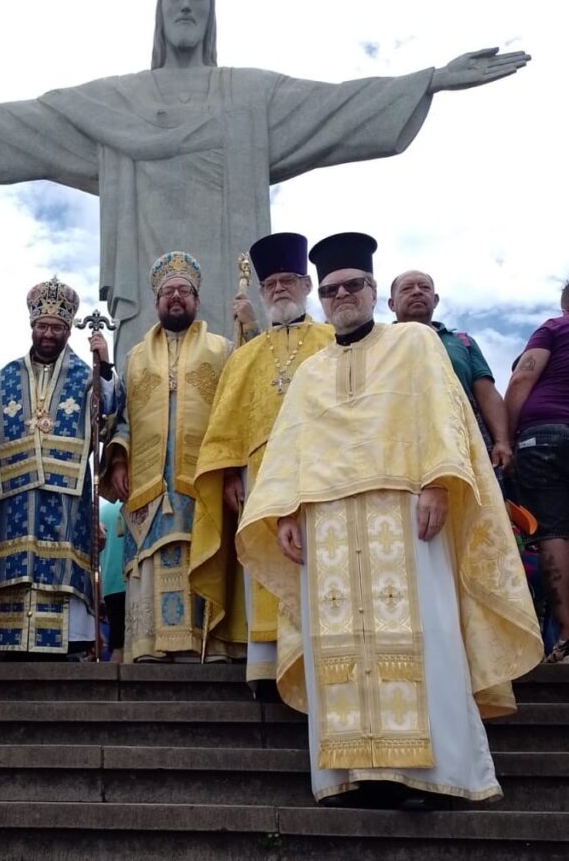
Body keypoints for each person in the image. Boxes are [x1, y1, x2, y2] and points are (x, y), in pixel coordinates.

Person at [0, 0, 530, 364]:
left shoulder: (249, 94)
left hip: (230, 272)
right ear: (160, 12)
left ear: (211, 13)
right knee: (150, 390)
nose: (186, 6)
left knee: (240, 366)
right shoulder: (118, 98)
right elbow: (39, 119)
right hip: (145, 273)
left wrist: (430, 80)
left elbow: (337, 105)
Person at [236, 233, 541, 808]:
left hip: (405, 513)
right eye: (331, 289)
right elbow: (291, 448)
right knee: (339, 650)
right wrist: (283, 514)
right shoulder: (310, 372)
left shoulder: (414, 344)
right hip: (326, 523)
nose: (342, 295)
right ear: (321, 297)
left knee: (425, 640)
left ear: (374, 291)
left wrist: (438, 483)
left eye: (353, 285)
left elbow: (443, 416)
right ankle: (352, 774)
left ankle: (436, 774)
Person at [191, 233, 334, 684]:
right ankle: (268, 667)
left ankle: (318, 662)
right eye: (270, 283)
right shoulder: (245, 355)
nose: (278, 290)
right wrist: (230, 472)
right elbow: (227, 420)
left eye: (288, 281)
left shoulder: (331, 339)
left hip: (322, 471)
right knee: (265, 567)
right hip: (260, 476)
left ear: (307, 286)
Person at [103, 252, 230, 661]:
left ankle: (205, 645)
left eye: (183, 291)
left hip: (202, 476)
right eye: (167, 292)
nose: (175, 297)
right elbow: (122, 417)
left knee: (201, 549)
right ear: (157, 301)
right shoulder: (136, 356)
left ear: (196, 299)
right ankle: (150, 646)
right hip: (148, 480)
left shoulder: (222, 348)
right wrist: (119, 461)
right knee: (153, 556)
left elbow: (233, 410)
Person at [0, 277, 114, 657]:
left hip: (66, 496)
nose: (48, 334)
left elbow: (108, 416)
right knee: (13, 569)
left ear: (69, 329)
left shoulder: (85, 372)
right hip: (13, 495)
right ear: (32, 327)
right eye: (42, 326)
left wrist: (103, 367)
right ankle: (9, 648)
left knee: (60, 570)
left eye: (56, 327)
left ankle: (70, 643)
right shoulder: (5, 377)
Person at [388, 270, 512, 468]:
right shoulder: (379, 343)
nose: (417, 292)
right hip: (401, 440)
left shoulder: (462, 341)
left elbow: (486, 393)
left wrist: (502, 441)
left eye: (424, 287)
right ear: (391, 304)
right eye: (407, 289)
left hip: (465, 437)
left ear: (435, 300)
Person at [505, 281, 569, 662]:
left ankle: (566, 633)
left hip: (544, 435)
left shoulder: (554, 328)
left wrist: (506, 437)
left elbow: (522, 377)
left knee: (552, 533)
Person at [98, 499, 126, 662]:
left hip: (109, 584)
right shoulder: (130, 507)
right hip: (130, 581)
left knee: (117, 642)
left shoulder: (102, 511)